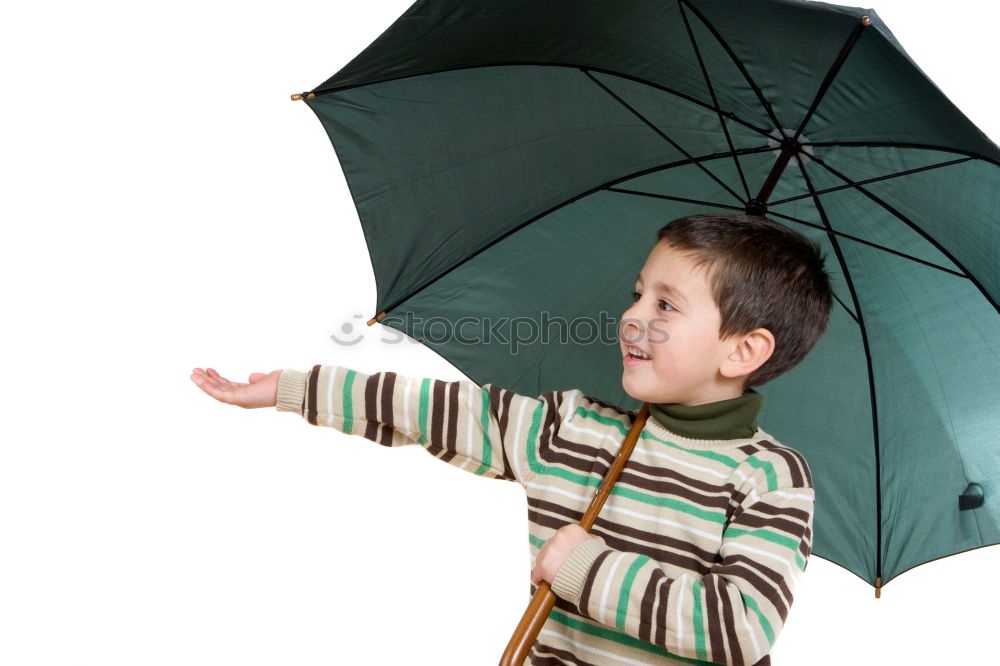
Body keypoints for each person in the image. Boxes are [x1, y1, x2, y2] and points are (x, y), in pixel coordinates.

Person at [191, 213, 833, 665]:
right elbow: (434, 410)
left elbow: (740, 626)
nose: (633, 316)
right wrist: (295, 389)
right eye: (638, 294)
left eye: (666, 306)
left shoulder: (770, 477)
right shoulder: (572, 429)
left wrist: (584, 568)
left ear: (743, 350)